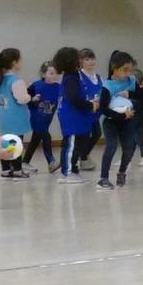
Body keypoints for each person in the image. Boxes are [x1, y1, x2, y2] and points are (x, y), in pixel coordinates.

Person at [51, 45, 102, 183]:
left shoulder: (74, 75)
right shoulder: (71, 78)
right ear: (72, 61)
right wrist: (91, 105)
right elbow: (74, 99)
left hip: (77, 115)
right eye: (78, 58)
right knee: (71, 144)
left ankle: (73, 169)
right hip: (71, 115)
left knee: (79, 143)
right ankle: (66, 173)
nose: (81, 60)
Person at [97, 51, 140, 189]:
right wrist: (121, 115)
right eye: (124, 70)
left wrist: (131, 97)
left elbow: (142, 99)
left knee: (129, 148)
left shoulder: (132, 81)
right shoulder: (107, 86)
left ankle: (122, 172)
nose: (128, 73)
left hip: (128, 121)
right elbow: (102, 109)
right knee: (111, 146)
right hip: (111, 121)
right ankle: (103, 178)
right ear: (115, 68)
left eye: (130, 70)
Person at [0, 48, 34, 181]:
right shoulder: (16, 80)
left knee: (6, 142)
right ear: (14, 62)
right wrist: (30, 97)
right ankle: (18, 170)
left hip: (3, 114)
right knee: (16, 142)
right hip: (16, 115)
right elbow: (21, 98)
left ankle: (6, 170)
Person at [25, 60, 62, 174]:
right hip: (37, 118)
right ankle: (51, 162)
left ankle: (25, 161)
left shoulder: (59, 87)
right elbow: (25, 98)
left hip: (47, 120)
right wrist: (32, 99)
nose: (54, 75)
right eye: (51, 73)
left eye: (56, 73)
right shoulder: (36, 86)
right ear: (43, 74)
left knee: (35, 140)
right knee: (46, 137)